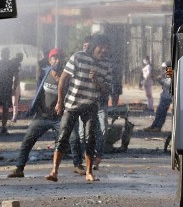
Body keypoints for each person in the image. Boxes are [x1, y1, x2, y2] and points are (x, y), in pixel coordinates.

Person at [7, 48, 84, 178]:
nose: (58, 61)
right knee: (27, 140)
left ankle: (77, 165)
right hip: (42, 115)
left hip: (61, 117)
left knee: (74, 138)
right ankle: (19, 168)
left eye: (60, 58)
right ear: (50, 60)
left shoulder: (68, 77)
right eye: (55, 58)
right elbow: (38, 91)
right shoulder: (44, 73)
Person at [46, 34, 111, 183]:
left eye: (106, 48)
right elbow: (63, 79)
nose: (104, 50)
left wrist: (97, 81)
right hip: (72, 104)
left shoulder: (107, 64)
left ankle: (89, 172)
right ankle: (54, 171)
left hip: (91, 105)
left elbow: (106, 89)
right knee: (63, 137)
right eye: (102, 47)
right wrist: (60, 102)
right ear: (95, 46)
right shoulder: (78, 57)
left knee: (90, 138)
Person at [0, 47, 19, 134]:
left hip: (7, 89)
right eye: (3, 53)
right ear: (1, 55)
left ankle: (3, 127)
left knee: (5, 109)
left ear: (8, 55)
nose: (4, 55)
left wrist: (14, 88)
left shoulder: (12, 64)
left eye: (6, 53)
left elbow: (16, 76)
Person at [144, 61, 173, 132]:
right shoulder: (166, 73)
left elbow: (169, 84)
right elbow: (164, 83)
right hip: (164, 95)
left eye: (163, 68)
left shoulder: (169, 71)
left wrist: (160, 79)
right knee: (159, 111)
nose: (162, 69)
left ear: (167, 67)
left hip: (167, 96)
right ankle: (154, 126)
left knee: (162, 112)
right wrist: (157, 79)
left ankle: (158, 127)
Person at [10, 52, 25, 122]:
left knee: (15, 101)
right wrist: (14, 86)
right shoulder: (15, 65)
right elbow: (15, 77)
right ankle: (14, 115)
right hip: (14, 84)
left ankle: (14, 115)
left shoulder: (17, 65)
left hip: (16, 84)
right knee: (14, 101)